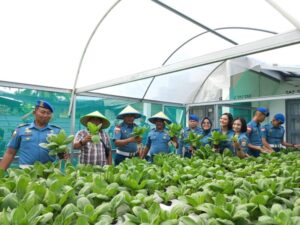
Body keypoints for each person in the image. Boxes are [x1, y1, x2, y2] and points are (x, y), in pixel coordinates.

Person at [0, 100, 61, 170]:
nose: (45, 115)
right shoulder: (21, 129)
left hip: (48, 173)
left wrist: (63, 154)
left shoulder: (57, 131)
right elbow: (10, 153)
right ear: (34, 112)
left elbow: (61, 153)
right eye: (43, 112)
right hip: (26, 173)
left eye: (48, 113)